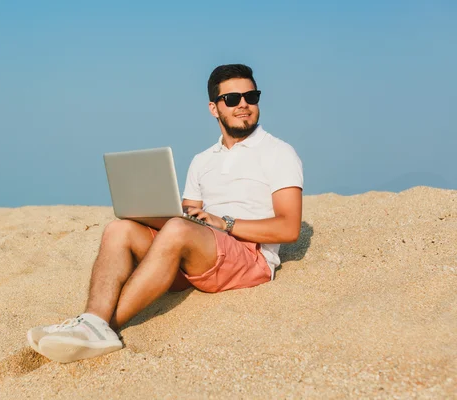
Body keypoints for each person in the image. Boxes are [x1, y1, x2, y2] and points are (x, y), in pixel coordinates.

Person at [27, 64, 304, 363]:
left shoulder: (278, 152)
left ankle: (99, 326)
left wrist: (225, 223)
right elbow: (186, 212)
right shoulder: (202, 160)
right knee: (119, 229)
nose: (244, 105)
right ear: (214, 108)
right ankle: (91, 320)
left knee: (177, 229)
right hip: (201, 254)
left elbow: (289, 229)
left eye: (251, 96)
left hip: (249, 259)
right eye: (232, 99)